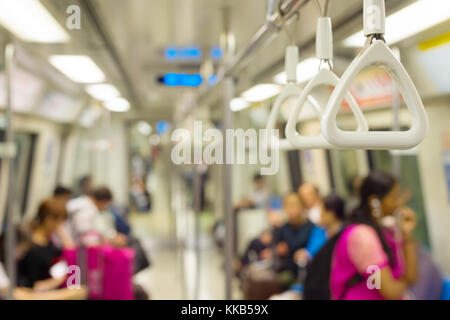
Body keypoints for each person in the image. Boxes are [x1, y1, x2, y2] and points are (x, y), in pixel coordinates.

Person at [329, 171, 418, 300]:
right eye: (393, 198)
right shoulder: (362, 237)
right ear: (374, 201)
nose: (398, 204)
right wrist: (406, 280)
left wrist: (408, 234)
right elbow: (390, 291)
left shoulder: (384, 230)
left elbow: (412, 276)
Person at [273, 193, 326, 276]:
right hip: (287, 272)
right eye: (287, 205)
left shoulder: (312, 228)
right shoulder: (282, 229)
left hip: (309, 273)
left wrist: (307, 253)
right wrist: (278, 251)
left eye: (294, 205)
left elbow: (318, 251)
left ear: (302, 206)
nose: (291, 209)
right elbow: (275, 250)